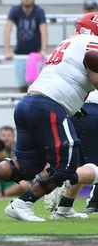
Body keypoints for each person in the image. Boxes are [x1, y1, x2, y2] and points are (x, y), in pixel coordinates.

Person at [0, 12, 98, 221]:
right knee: (67, 164)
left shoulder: (68, 44)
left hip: (28, 102)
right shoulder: (91, 43)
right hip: (49, 105)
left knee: (26, 165)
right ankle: (23, 203)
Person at [43, 89, 98, 217]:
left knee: (81, 166)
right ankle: (60, 180)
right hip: (94, 113)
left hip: (76, 112)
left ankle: (64, 209)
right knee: (94, 169)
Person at [3, 0, 47, 93]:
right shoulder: (15, 10)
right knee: (22, 86)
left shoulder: (39, 11)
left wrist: (43, 50)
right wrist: (7, 51)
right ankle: (23, 108)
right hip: (20, 53)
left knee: (36, 86)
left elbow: (44, 31)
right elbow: (7, 30)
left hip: (35, 54)